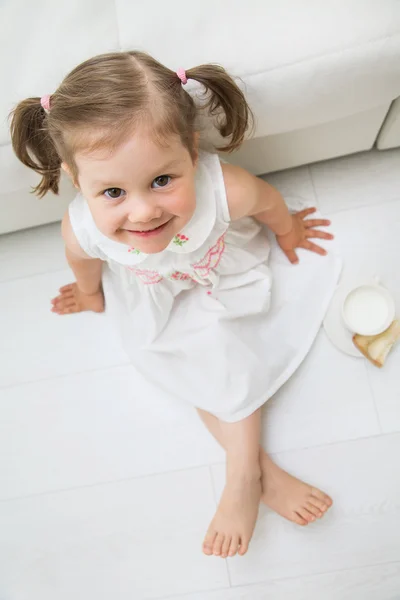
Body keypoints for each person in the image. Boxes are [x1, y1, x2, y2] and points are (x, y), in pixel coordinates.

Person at [10, 51, 341, 559]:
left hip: (222, 271)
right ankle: (255, 470)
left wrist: (289, 229)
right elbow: (82, 261)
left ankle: (245, 473)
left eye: (162, 181)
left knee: (226, 347)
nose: (142, 212)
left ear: (191, 150)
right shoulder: (79, 225)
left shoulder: (221, 187)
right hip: (154, 290)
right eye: (113, 192)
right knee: (179, 355)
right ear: (79, 181)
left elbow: (267, 202)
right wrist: (91, 293)